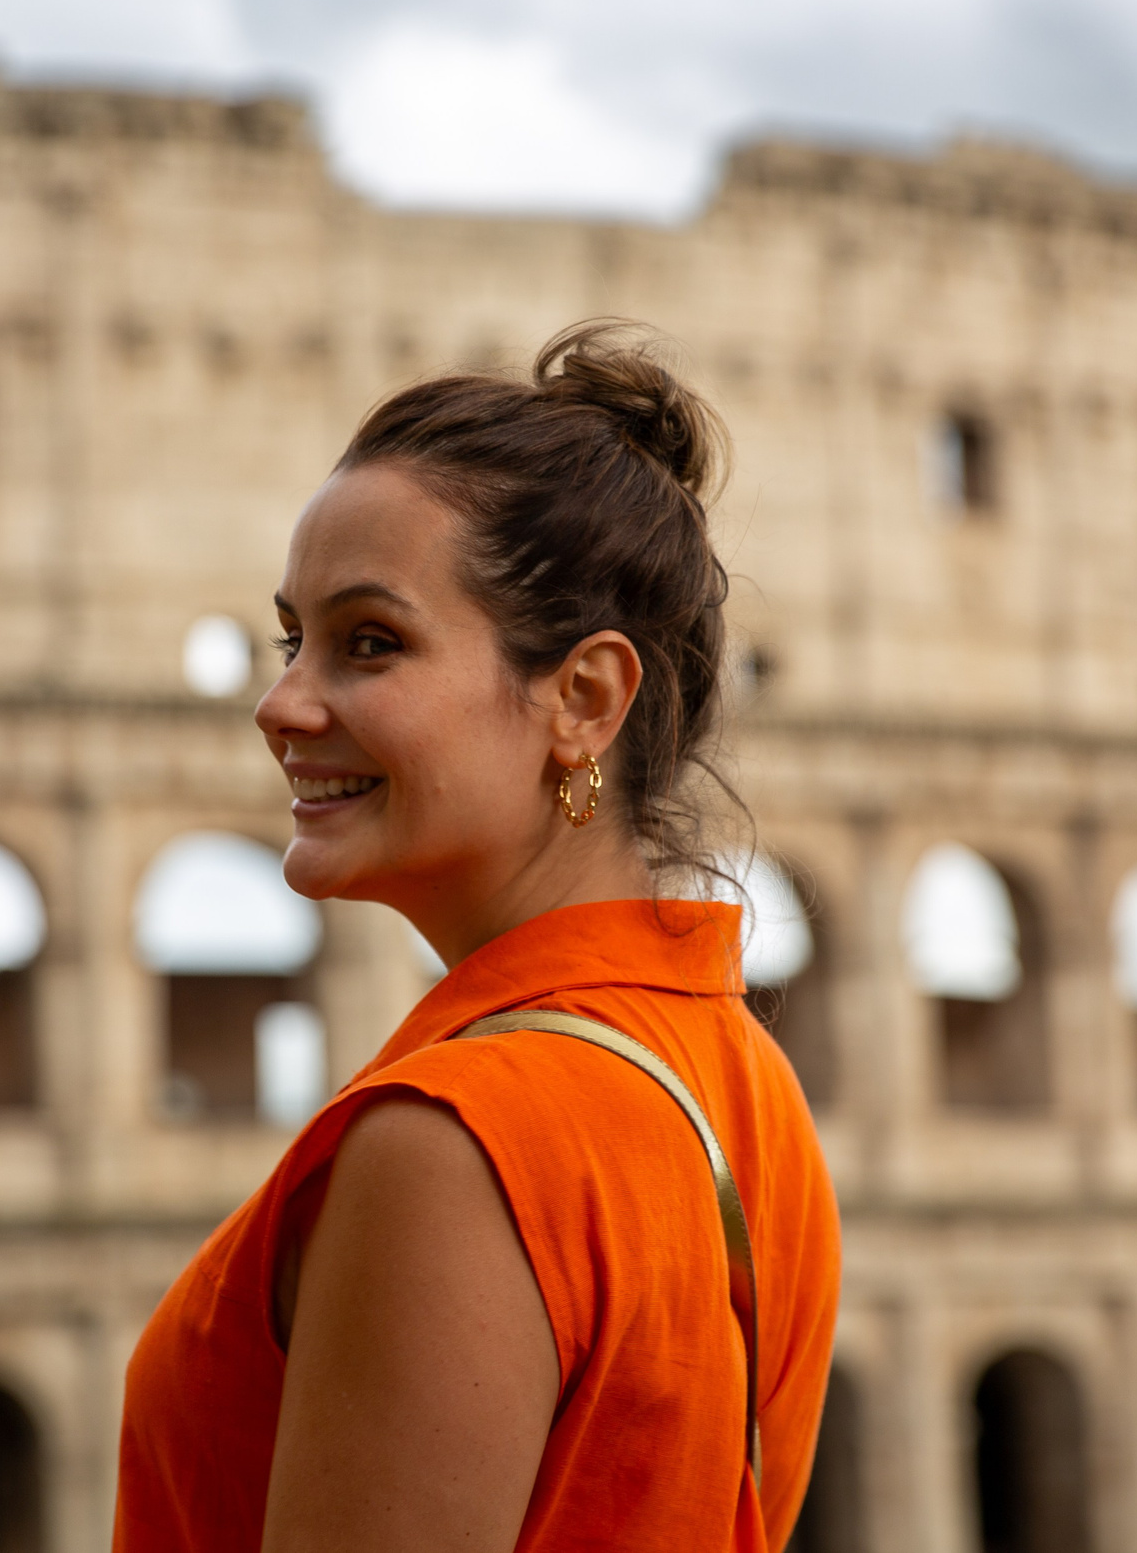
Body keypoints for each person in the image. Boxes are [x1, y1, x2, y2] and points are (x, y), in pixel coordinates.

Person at [116, 322, 841, 1553]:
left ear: (582, 699)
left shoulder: (453, 1141)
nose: (281, 704)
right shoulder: (740, 1079)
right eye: (295, 639)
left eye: (371, 643)